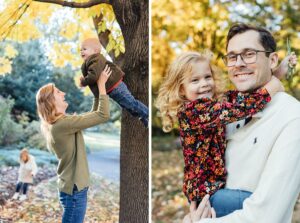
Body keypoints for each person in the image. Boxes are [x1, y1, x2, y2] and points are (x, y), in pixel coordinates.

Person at [183, 23, 300, 223]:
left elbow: (266, 217)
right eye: (232, 57)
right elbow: (248, 103)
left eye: (249, 54)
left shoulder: (292, 117)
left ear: (272, 60)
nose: (238, 63)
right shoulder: (219, 110)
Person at [156, 50, 289, 216]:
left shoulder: (214, 102)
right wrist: (273, 85)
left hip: (216, 186)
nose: (204, 83)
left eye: (207, 77)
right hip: (206, 195)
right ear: (182, 89)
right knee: (263, 203)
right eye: (195, 80)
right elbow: (242, 107)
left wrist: (275, 74)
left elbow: (244, 96)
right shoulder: (192, 111)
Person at [36, 66, 111, 223]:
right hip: (74, 191)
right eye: (58, 92)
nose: (63, 93)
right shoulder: (63, 124)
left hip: (72, 189)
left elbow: (94, 116)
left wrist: (97, 91)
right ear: (50, 101)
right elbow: (103, 115)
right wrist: (102, 85)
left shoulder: (60, 124)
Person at [80, 38, 148, 127]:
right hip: (112, 90)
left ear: (95, 51)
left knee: (131, 103)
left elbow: (93, 75)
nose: (81, 51)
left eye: (84, 49)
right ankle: (143, 117)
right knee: (127, 106)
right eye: (80, 50)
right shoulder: (89, 62)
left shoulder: (96, 58)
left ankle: (147, 114)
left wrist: (83, 82)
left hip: (116, 86)